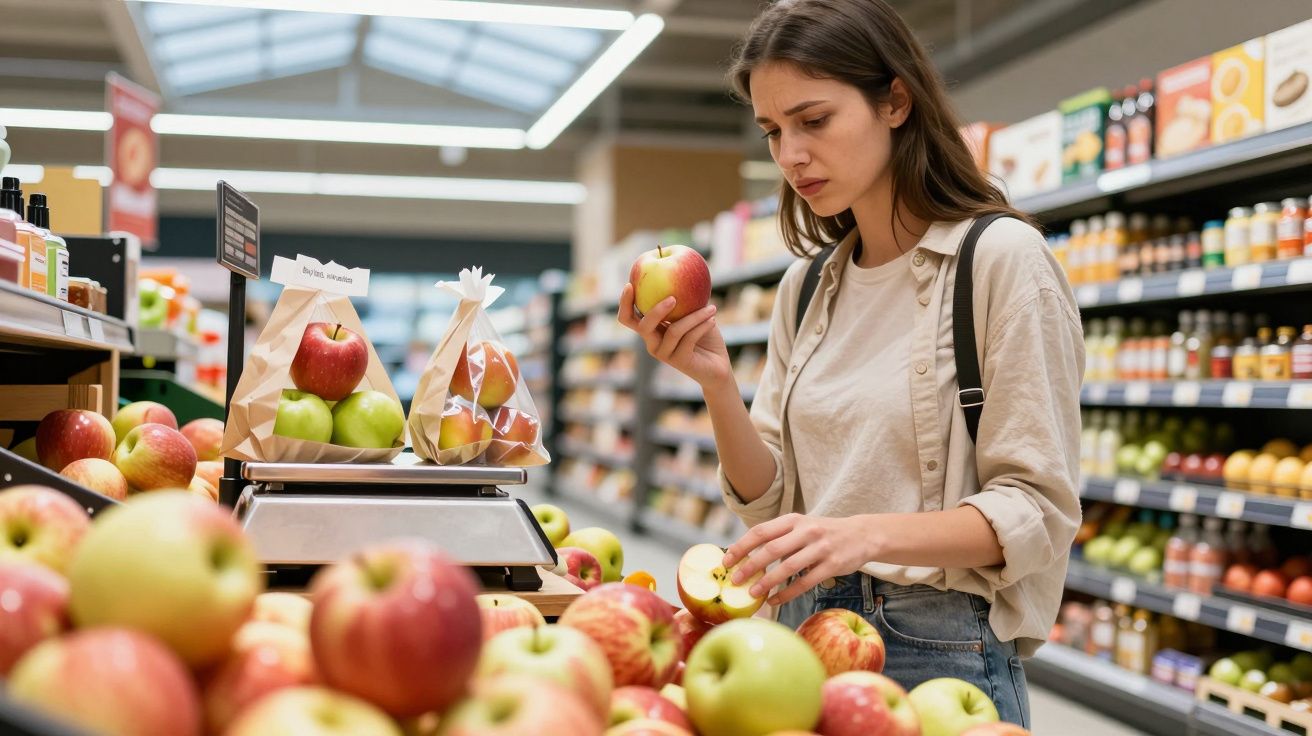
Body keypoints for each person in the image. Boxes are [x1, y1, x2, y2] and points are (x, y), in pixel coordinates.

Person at [617, 0, 1084, 726]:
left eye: (814, 120)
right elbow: (768, 499)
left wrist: (859, 532)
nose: (789, 155)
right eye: (772, 131)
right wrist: (715, 383)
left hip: (937, 646)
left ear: (895, 101)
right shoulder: (806, 288)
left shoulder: (999, 262)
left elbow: (1036, 511)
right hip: (796, 634)